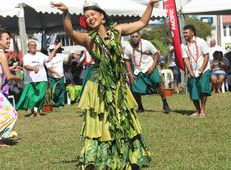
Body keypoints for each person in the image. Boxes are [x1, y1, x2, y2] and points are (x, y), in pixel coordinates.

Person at [51, 0, 160, 169]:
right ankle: (95, 158)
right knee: (99, 121)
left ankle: (130, 156)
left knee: (122, 119)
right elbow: (70, 32)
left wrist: (151, 5)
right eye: (86, 17)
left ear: (102, 16)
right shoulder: (88, 39)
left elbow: (142, 23)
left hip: (117, 86)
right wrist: (66, 13)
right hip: (98, 87)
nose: (90, 18)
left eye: (93, 15)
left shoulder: (117, 31)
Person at [124, 31, 170, 113]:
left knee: (159, 83)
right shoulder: (128, 47)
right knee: (134, 89)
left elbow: (156, 54)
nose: (134, 38)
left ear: (140, 36)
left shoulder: (147, 43)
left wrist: (152, 67)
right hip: (137, 70)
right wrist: (129, 73)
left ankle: (165, 103)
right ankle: (140, 107)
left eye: (136, 36)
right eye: (132, 37)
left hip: (149, 67)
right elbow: (127, 60)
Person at [16, 40, 58, 117]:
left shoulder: (40, 54)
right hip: (30, 80)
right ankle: (33, 110)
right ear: (28, 47)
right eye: (32, 45)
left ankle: (37, 111)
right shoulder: (26, 56)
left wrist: (55, 49)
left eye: (35, 45)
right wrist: (33, 68)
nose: (34, 47)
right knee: (30, 96)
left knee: (41, 96)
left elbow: (48, 59)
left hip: (42, 79)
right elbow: (25, 66)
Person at [181, 25, 211, 118]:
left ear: (192, 33)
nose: (184, 34)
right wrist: (189, 71)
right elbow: (185, 59)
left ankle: (202, 110)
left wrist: (202, 68)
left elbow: (206, 55)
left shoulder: (201, 41)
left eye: (186, 32)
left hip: (204, 69)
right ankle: (198, 111)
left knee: (203, 89)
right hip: (192, 71)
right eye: (184, 33)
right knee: (193, 91)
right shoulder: (183, 45)